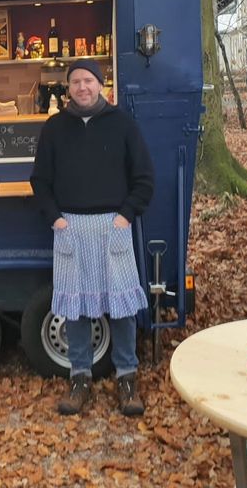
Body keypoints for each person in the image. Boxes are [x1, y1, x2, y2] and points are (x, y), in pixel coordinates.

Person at [30, 58, 154, 416]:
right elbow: (40, 181)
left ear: (101, 84)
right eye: (75, 82)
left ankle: (127, 377)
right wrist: (56, 220)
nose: (82, 87)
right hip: (70, 227)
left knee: (123, 308)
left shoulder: (123, 125)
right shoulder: (54, 128)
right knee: (76, 307)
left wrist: (125, 216)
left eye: (88, 80)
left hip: (113, 226)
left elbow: (144, 178)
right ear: (67, 88)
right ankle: (79, 376)